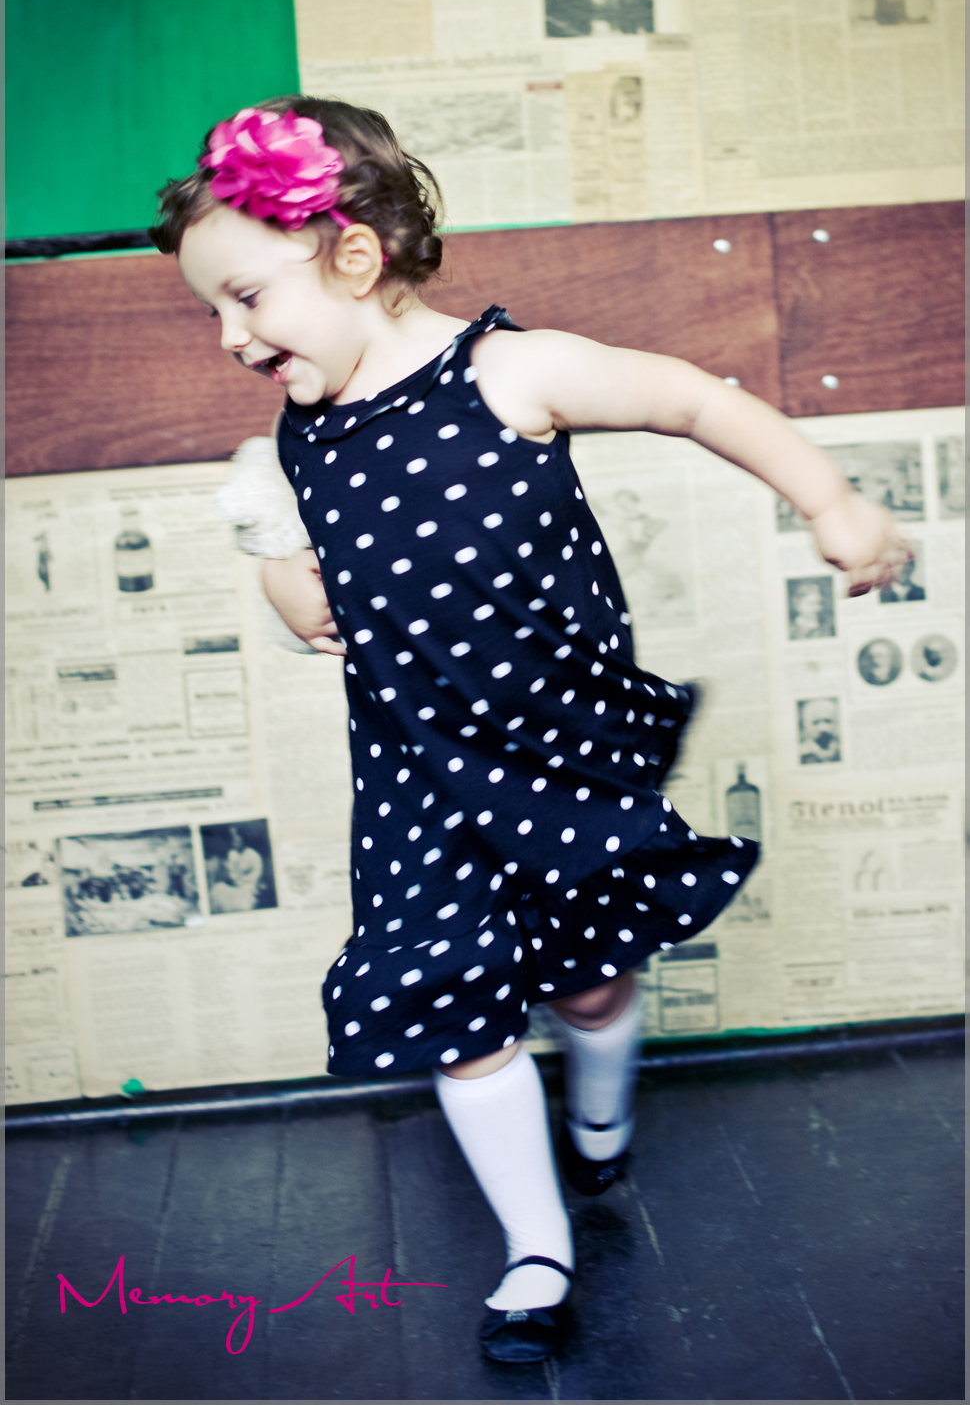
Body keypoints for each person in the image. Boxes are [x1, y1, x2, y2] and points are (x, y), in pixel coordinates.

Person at [149, 97, 908, 1364]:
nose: (230, 338)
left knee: (588, 981)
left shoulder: (509, 372)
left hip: (560, 754)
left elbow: (692, 401)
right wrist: (281, 574)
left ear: (353, 256)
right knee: (458, 1010)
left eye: (245, 300)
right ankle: (536, 1248)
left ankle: (602, 1109)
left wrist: (830, 500)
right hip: (416, 773)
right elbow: (285, 523)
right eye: (211, 314)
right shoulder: (305, 425)